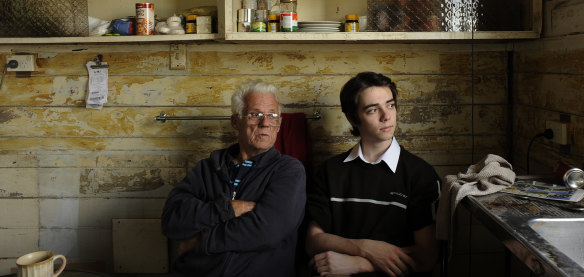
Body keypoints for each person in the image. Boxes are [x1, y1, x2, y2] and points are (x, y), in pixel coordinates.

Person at [161, 80, 307, 277]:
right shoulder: (207, 168)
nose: (265, 123)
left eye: (272, 116)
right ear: (236, 121)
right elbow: (172, 220)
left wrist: (199, 241)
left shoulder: (288, 170)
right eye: (255, 115)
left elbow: (266, 231)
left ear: (279, 125)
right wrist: (227, 209)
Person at [306, 72, 441, 277]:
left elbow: (428, 256)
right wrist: (364, 248)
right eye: (372, 110)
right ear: (353, 118)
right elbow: (313, 240)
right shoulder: (330, 171)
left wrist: (362, 264)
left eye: (390, 105)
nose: (386, 116)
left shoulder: (420, 174)